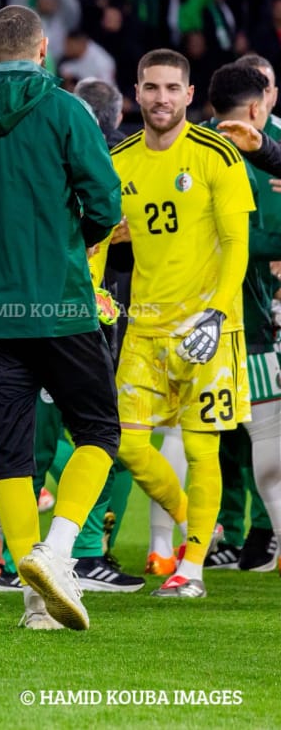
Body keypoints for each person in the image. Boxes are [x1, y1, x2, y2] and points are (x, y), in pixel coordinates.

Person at [0, 5, 122, 631]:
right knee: (98, 431)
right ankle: (56, 556)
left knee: (13, 451)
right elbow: (105, 202)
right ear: (42, 51)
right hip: (60, 301)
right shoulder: (66, 110)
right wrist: (73, 241)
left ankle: (35, 602)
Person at [95, 49, 254, 599]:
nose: (161, 98)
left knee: (201, 449)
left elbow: (238, 243)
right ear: (135, 94)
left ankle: (191, 570)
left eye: (171, 88)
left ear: (191, 96)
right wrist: (93, 291)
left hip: (210, 326)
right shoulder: (120, 160)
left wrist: (215, 310)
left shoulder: (218, 155)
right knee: (130, 446)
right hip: (143, 327)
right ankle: (196, 526)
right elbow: (99, 235)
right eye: (150, 88)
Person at [201, 62, 281, 573]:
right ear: (258, 103)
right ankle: (222, 535)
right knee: (247, 434)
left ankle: (193, 545)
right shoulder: (247, 149)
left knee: (188, 434)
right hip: (251, 313)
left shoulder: (183, 144)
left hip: (182, 310)